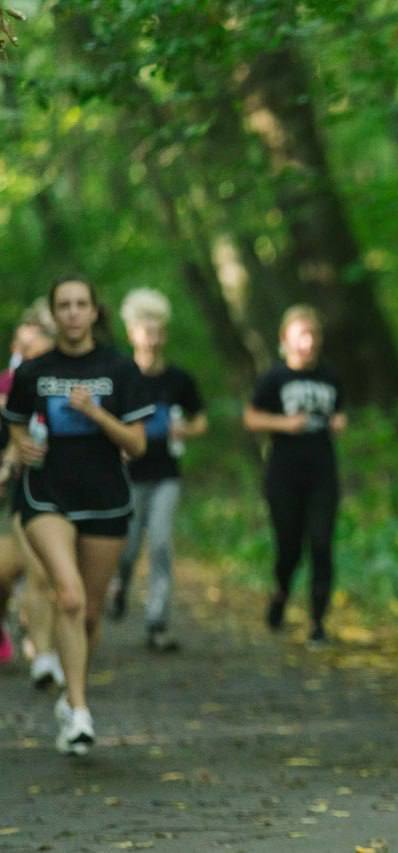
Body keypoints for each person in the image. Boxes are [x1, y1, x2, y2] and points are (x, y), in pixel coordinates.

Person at [2, 278, 152, 755]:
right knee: (66, 596)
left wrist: (96, 413)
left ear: (93, 312)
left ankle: (71, 695)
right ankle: (82, 713)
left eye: (80, 305)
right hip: (46, 495)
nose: (71, 313)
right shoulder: (33, 372)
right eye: (62, 306)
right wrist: (18, 448)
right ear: (53, 314)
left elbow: (136, 444)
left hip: (105, 497)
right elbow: (15, 430)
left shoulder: (119, 368)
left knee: (87, 611)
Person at [110, 288, 207, 651]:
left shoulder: (178, 380)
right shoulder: (120, 376)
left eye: (156, 329)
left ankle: (157, 621)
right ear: (131, 333)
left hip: (167, 474)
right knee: (128, 547)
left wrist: (186, 429)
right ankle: (118, 585)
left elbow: (201, 421)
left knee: (162, 543)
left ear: (163, 334)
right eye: (143, 329)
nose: (150, 336)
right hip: (128, 475)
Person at [243, 305, 346, 644]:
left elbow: (340, 411)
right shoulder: (274, 377)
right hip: (283, 475)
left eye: (313, 334)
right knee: (289, 548)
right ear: (285, 339)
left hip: (323, 474)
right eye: (301, 334)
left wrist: (338, 422)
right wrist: (284, 424)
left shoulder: (330, 375)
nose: (309, 341)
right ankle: (281, 593)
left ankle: (317, 623)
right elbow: (252, 418)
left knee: (320, 544)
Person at [0, 312, 64, 688]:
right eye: (21, 349)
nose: (25, 357)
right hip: (25, 493)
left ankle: (51, 648)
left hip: (71, 492)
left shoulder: (68, 388)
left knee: (55, 577)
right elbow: (12, 444)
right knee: (27, 572)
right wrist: (9, 465)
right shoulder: (11, 390)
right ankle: (42, 652)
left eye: (33, 350)